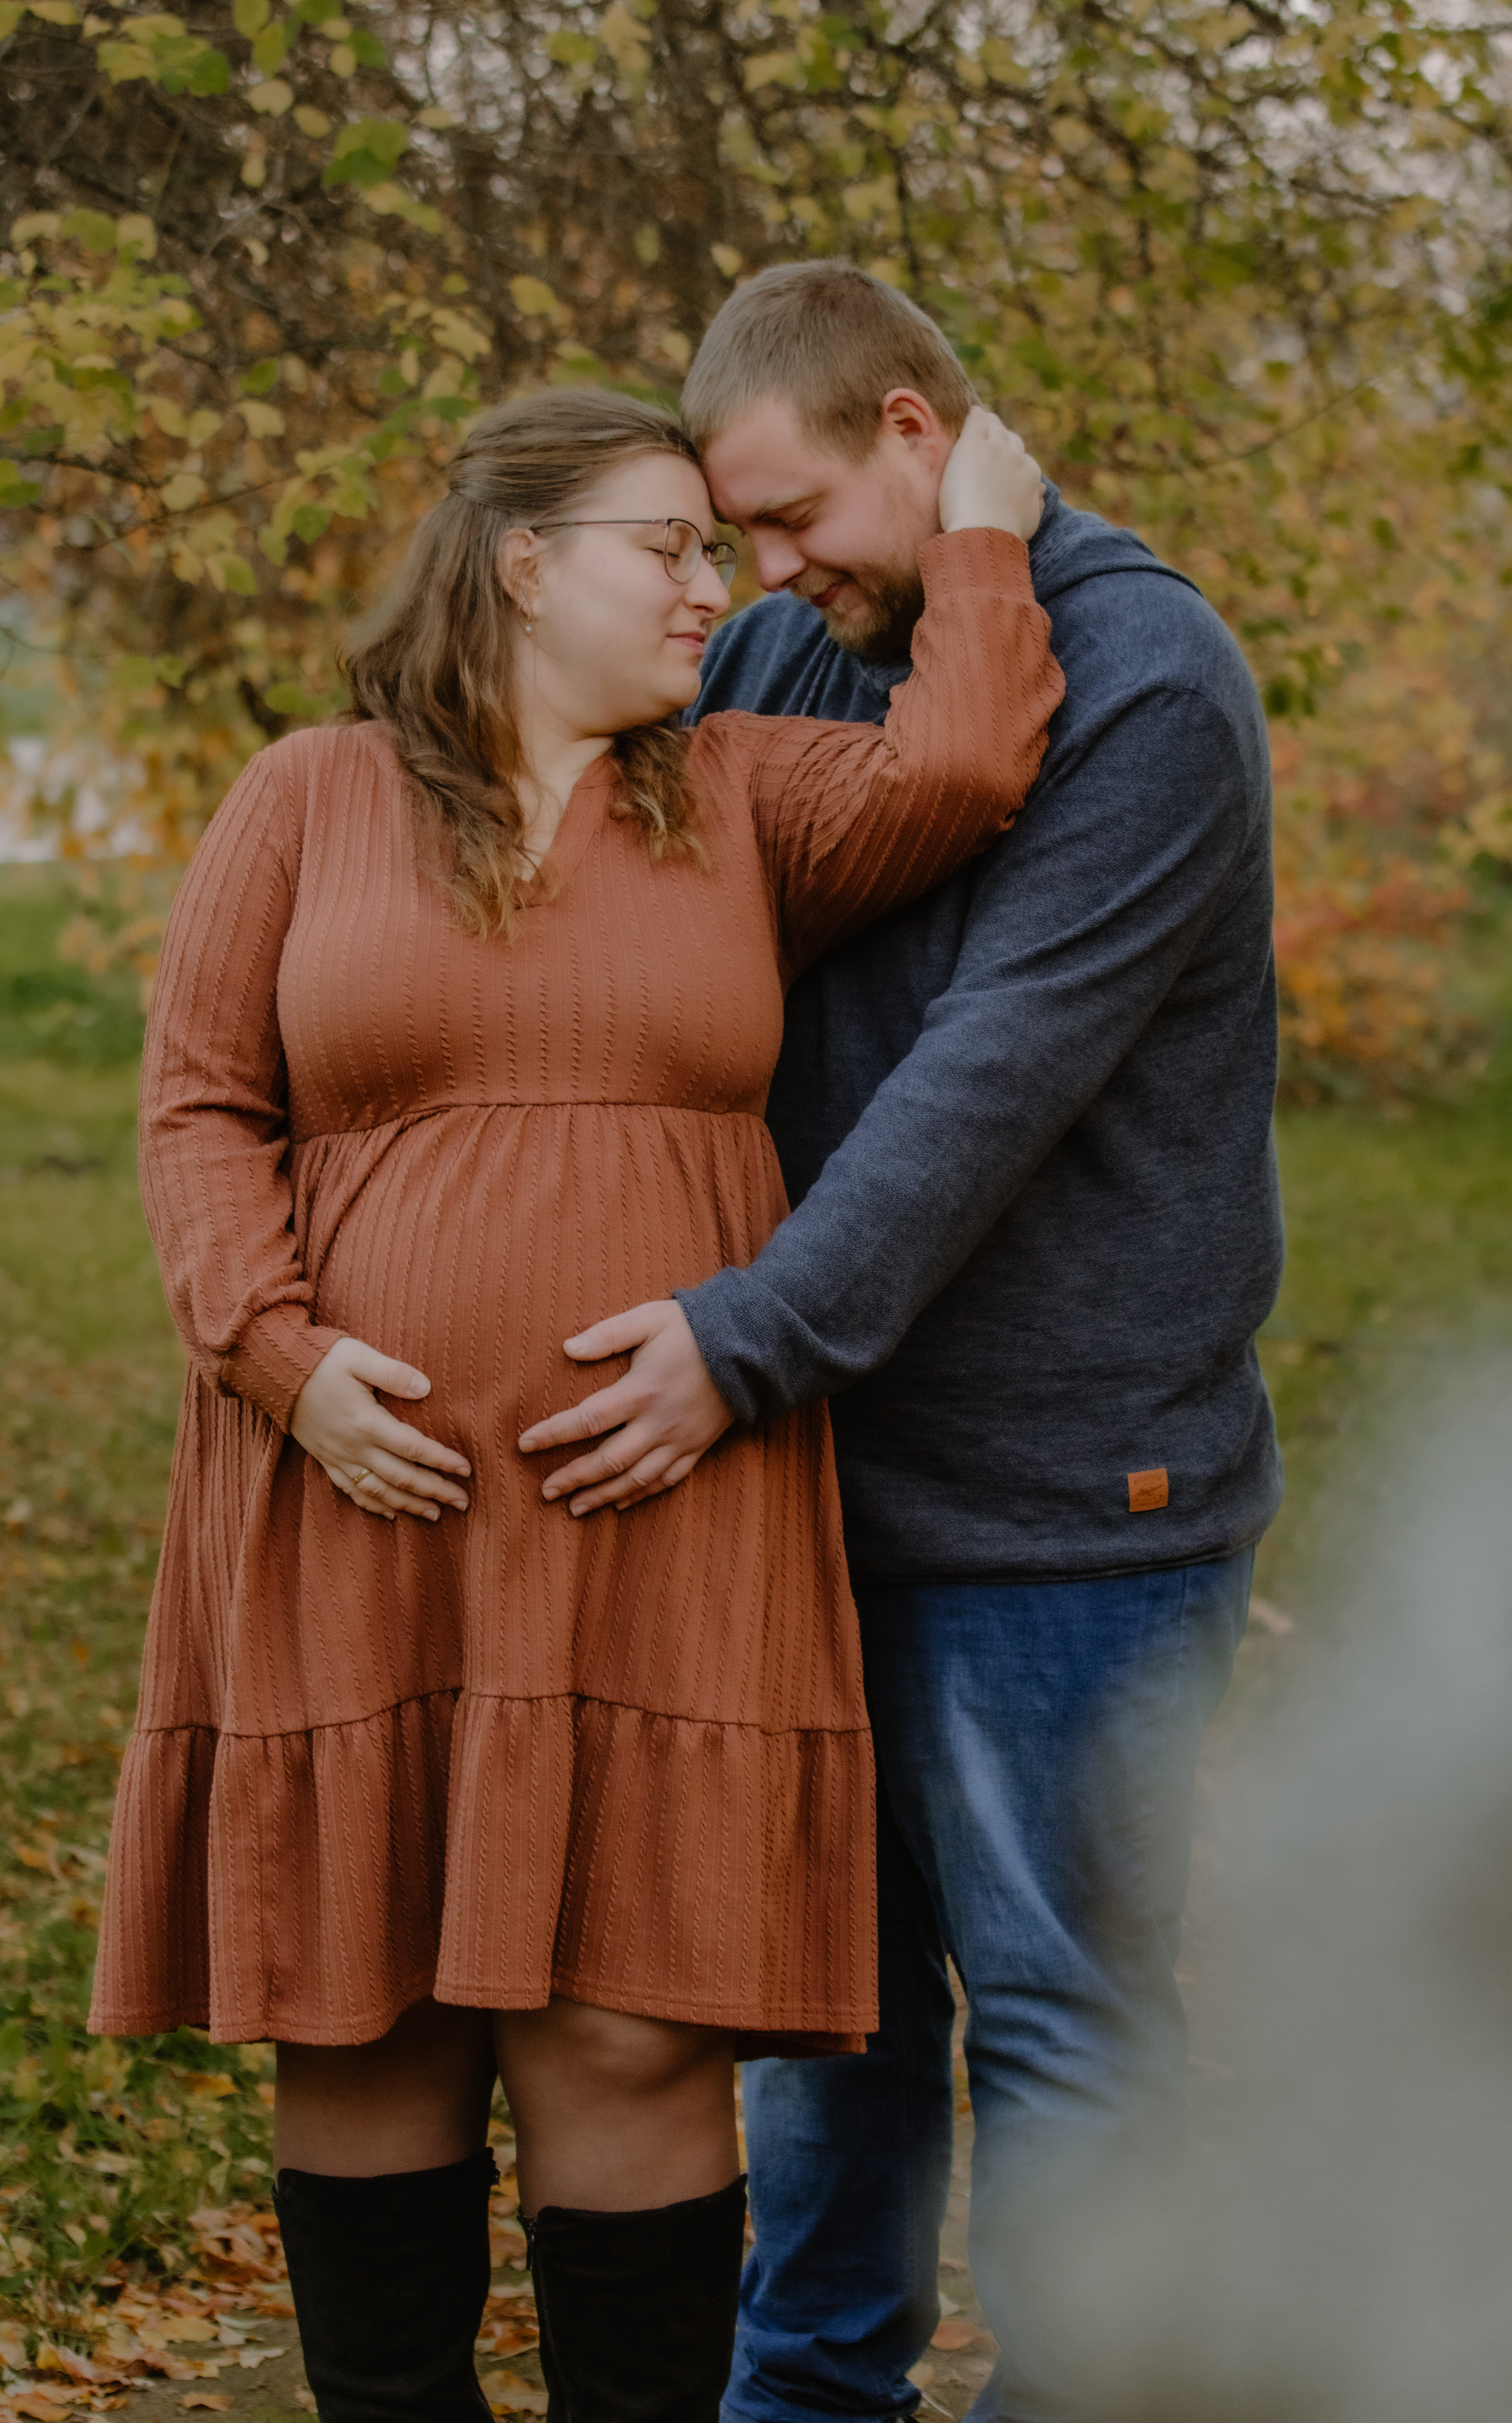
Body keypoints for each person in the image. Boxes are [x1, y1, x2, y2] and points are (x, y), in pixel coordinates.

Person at [87, 384, 1060, 2423]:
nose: (716, 588)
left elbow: (972, 761)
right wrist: (280, 1357)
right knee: (369, 2018)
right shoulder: (309, 794)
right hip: (359, 1500)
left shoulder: (744, 796)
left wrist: (977, 526)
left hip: (662, 1507)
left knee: (633, 2021)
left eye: (720, 547)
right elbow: (198, 1107)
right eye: (669, 547)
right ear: (523, 563)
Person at [523, 266, 1284, 2422]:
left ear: (918, 433)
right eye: (732, 535)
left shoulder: (1150, 678)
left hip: (1072, 1502)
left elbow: (992, 1071)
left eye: (790, 516)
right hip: (808, 1487)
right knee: (821, 2031)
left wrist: (745, 1338)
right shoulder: (798, 649)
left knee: (1061, 2024)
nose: (763, 575)